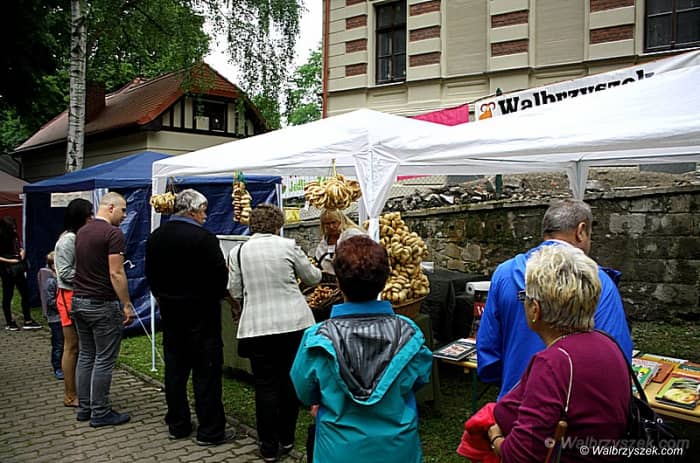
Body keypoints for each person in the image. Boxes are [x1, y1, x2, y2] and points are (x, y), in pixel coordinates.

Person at [291, 235, 433, 463]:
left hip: (338, 451)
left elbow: (304, 391)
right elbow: (419, 379)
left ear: (339, 282)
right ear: (385, 281)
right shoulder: (409, 333)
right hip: (397, 449)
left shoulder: (317, 338)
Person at [483, 245, 630, 462]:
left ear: (535, 310)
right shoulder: (608, 344)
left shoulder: (553, 363)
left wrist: (495, 436)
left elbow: (519, 456)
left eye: (525, 297)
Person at [477, 199, 632, 399]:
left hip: (515, 403)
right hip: (571, 407)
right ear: (581, 231)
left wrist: (515, 382)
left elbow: (488, 351)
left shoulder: (504, 273)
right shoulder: (597, 280)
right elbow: (617, 358)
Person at [228, 203, 321, 462]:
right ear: (278, 224)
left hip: (257, 327)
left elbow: (234, 290)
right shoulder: (288, 246)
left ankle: (268, 446)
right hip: (294, 323)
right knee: (289, 381)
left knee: (265, 386)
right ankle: (287, 438)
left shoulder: (238, 252)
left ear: (252, 225)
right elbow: (313, 278)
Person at [145, 189, 234, 445]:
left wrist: (163, 297)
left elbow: (150, 275)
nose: (205, 216)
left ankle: (178, 424)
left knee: (175, 372)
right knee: (206, 372)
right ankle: (210, 430)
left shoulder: (156, 237)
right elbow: (220, 277)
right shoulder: (204, 238)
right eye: (203, 211)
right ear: (193, 211)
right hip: (202, 314)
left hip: (171, 313)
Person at [72, 192, 135, 427]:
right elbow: (116, 272)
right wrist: (126, 304)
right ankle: (100, 411)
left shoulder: (82, 231)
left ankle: (85, 408)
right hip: (101, 303)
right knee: (104, 359)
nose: (125, 215)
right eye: (123, 210)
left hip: (79, 300)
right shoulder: (113, 233)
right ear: (110, 208)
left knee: (86, 355)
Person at [54, 198, 94, 407]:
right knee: (72, 347)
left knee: (82, 347)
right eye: (89, 215)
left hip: (81, 294)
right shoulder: (68, 240)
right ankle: (70, 395)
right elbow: (64, 272)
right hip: (69, 296)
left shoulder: (80, 237)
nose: (92, 218)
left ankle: (82, 391)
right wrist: (90, 275)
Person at [0, 216, 41, 330]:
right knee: (8, 295)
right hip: (6, 269)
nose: (14, 229)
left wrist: (22, 252)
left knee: (25, 293)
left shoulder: (14, 236)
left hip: (18, 268)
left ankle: (27, 320)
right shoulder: (1, 237)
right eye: (11, 227)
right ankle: (10, 321)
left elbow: (20, 247)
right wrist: (10, 261)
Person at [314, 209, 364, 275]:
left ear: (341, 221)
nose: (331, 226)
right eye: (327, 223)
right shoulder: (324, 242)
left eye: (334, 222)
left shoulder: (352, 234)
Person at [42, 251, 64, 380]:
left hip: (65, 316)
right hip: (56, 318)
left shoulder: (63, 280)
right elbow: (50, 301)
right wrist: (63, 306)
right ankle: (57, 366)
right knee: (58, 343)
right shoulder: (51, 282)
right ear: (53, 266)